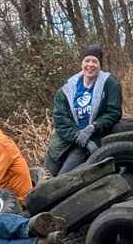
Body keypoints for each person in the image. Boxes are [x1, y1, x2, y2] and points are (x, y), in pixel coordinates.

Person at [46, 45, 123, 175]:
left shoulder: (109, 83)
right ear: (82, 63)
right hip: (67, 138)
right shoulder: (68, 87)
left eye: (95, 61)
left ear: (100, 64)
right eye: (87, 60)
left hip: (93, 137)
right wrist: (77, 135)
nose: (90, 65)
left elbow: (114, 112)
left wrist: (93, 127)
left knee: (63, 179)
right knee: (46, 174)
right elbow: (60, 118)